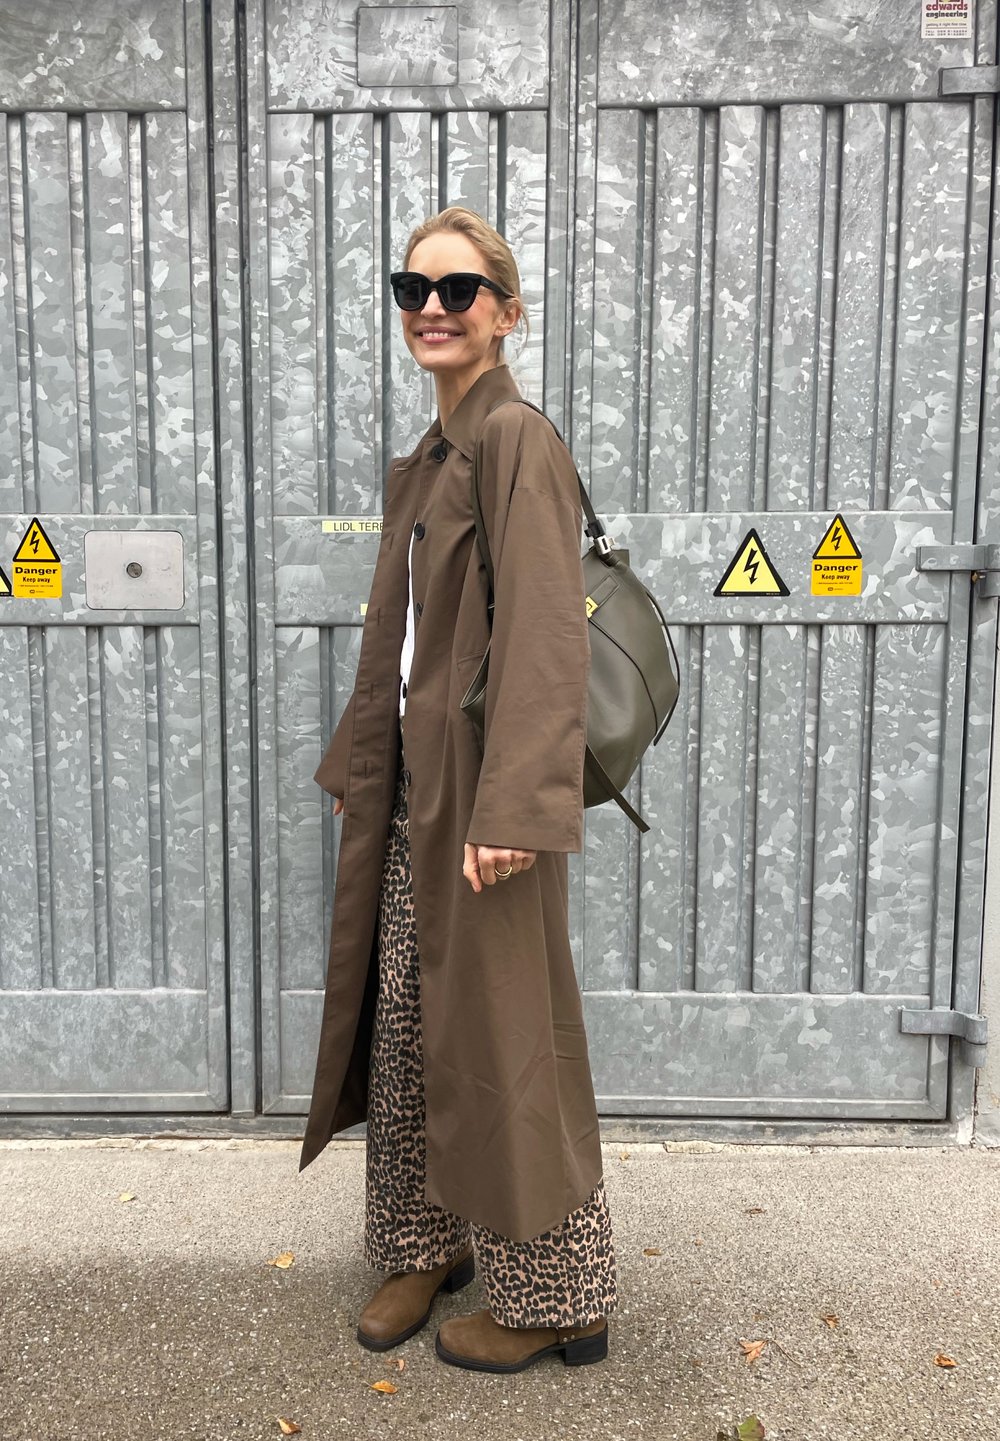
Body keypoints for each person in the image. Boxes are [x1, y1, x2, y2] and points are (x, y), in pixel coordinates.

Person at [299, 206, 618, 1373]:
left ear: (506, 309)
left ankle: (560, 1296)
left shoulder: (514, 437)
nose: (431, 307)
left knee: (506, 1036)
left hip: (486, 809)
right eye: (412, 287)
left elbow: (544, 634)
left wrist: (519, 806)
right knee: (404, 1025)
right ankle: (421, 1243)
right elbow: (402, 639)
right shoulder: (433, 452)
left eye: (460, 289)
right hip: (414, 799)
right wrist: (358, 767)